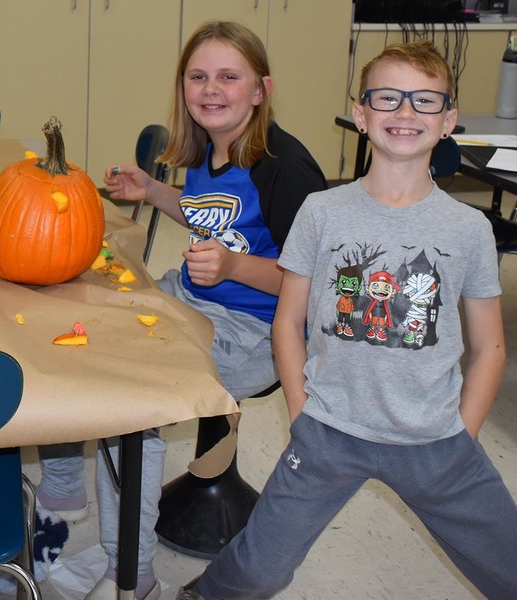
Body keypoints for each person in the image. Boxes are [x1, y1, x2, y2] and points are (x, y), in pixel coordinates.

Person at [177, 41, 517, 600]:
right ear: (361, 115)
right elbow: (288, 323)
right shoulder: (323, 213)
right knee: (255, 572)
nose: (405, 114)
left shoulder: (468, 230)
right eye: (387, 98)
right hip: (329, 432)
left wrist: (464, 434)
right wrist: (299, 411)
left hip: (435, 441)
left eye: (425, 101)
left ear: (449, 119)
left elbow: (490, 348)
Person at [38, 21, 327, 600]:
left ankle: (133, 569)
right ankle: (64, 484)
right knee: (78, 322)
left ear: (260, 90)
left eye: (229, 76)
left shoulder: (284, 167)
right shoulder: (209, 144)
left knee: (134, 406)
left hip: (258, 332)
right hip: (195, 299)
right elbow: (209, 214)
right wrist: (153, 191)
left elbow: (315, 284)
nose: (211, 89)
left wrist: (233, 269)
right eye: (198, 76)